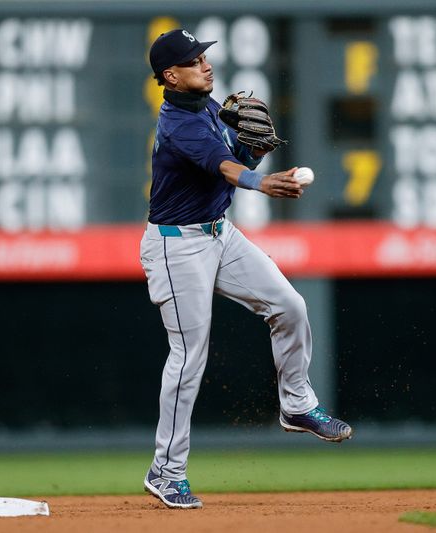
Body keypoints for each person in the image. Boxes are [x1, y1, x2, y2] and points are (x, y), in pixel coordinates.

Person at [141, 28, 352, 510]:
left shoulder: (209, 108)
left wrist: (254, 148)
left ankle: (297, 407)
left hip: (218, 234)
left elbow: (237, 155)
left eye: (204, 56)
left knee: (290, 306)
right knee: (189, 356)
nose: (206, 65)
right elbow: (225, 168)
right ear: (171, 75)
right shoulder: (180, 122)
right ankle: (166, 470)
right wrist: (260, 180)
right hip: (177, 248)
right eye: (195, 61)